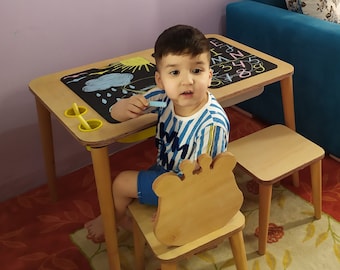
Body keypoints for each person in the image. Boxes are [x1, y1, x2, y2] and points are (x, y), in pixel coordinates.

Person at [85, 24, 230, 243]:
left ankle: (113, 219)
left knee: (121, 183)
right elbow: (117, 110)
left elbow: (208, 178)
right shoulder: (162, 97)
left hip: (186, 187)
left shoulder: (212, 125)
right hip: (166, 169)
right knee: (135, 180)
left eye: (196, 70)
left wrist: (179, 205)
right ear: (160, 81)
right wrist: (123, 108)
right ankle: (118, 215)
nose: (187, 81)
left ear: (209, 76)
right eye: (174, 72)